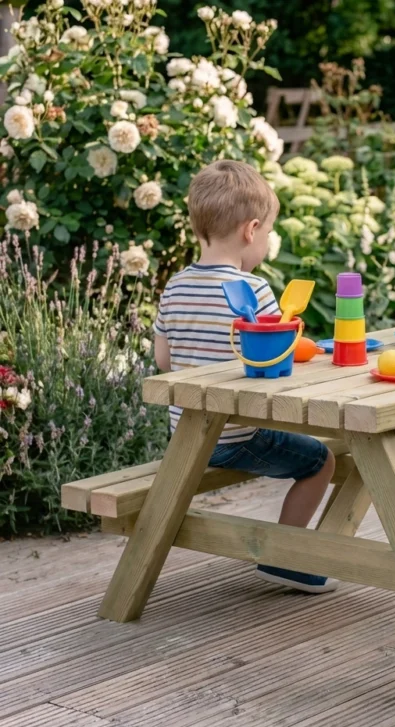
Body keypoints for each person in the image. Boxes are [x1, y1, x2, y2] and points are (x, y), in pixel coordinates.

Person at [153, 160, 338, 594]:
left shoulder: (175, 287)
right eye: (270, 233)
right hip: (235, 439)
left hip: (184, 433)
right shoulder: (253, 292)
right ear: (251, 230)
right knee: (320, 460)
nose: (267, 242)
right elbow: (277, 368)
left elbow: (164, 360)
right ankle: (285, 559)